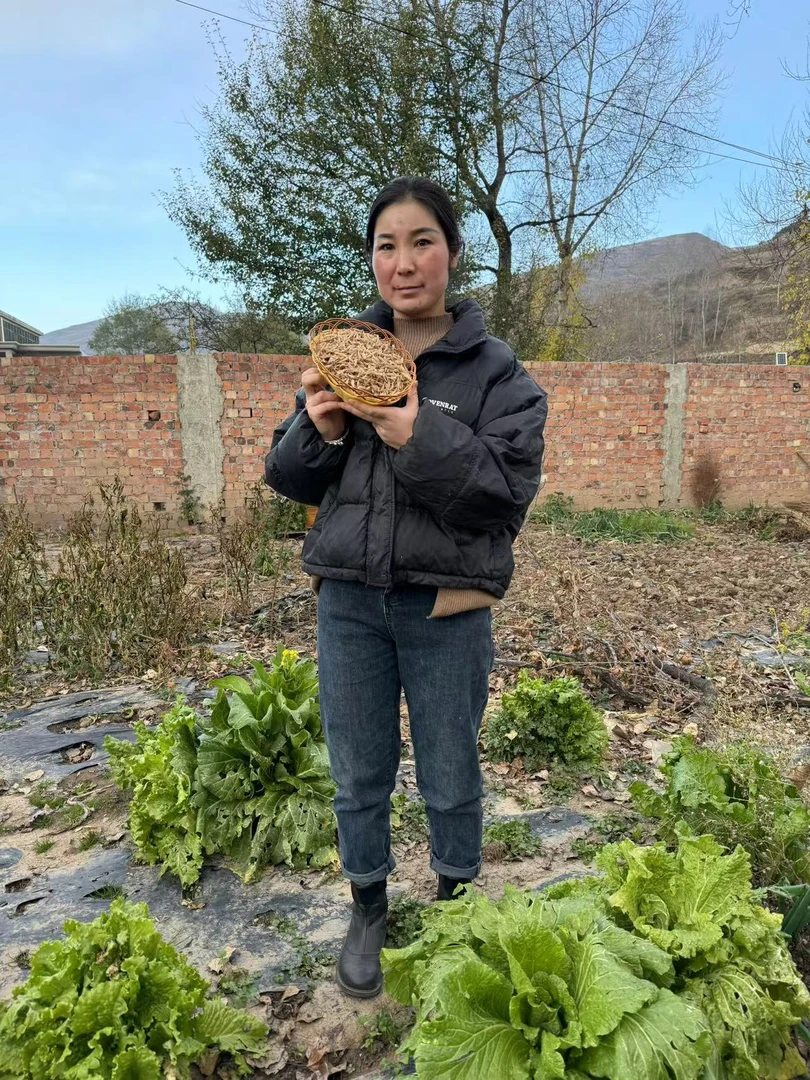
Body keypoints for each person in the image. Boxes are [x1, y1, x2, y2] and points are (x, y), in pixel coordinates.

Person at [265, 176, 548, 999]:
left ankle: (457, 899)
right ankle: (368, 904)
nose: (404, 262)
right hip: (349, 600)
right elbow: (285, 477)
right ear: (372, 261)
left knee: (451, 765)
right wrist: (316, 430)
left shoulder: (501, 378)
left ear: (453, 255)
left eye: (422, 241)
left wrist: (412, 429)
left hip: (444, 606)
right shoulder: (346, 357)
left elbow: (503, 493)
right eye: (386, 245)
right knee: (358, 767)